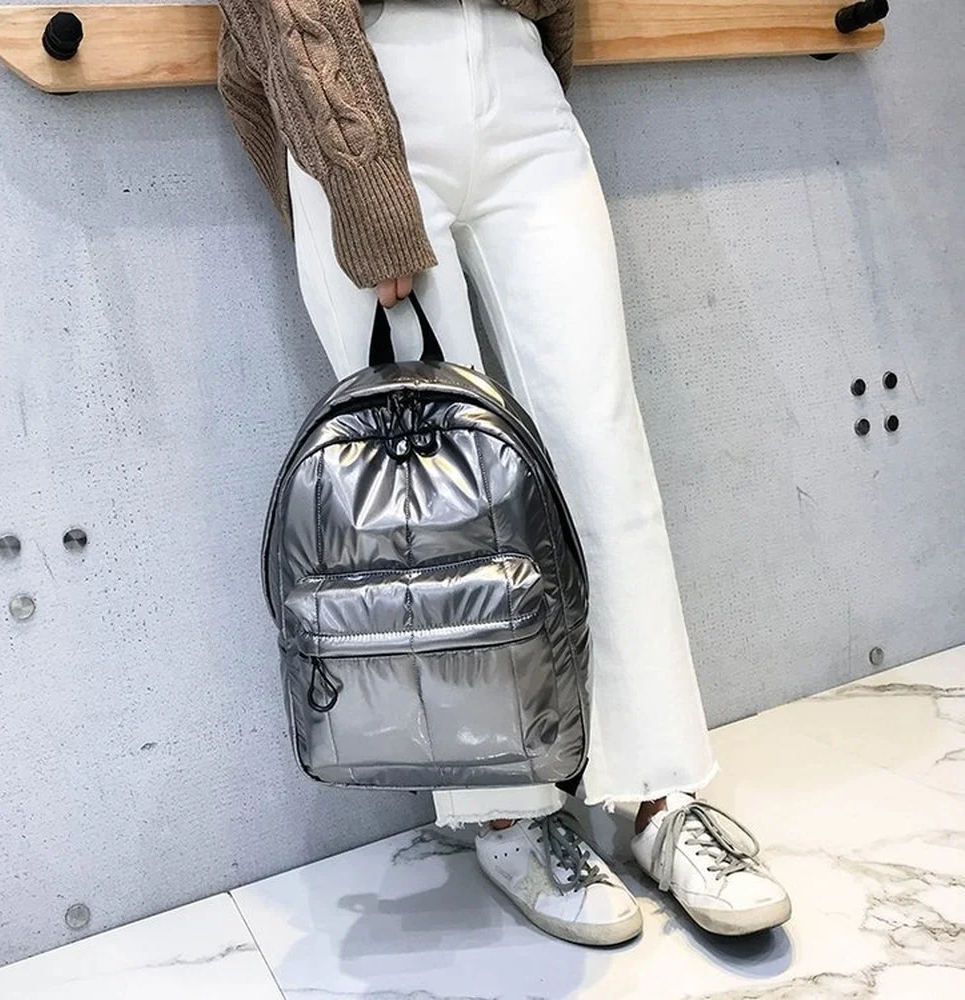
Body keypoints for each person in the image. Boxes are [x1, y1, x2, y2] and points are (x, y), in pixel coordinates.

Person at [217, 0, 792, 945]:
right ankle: (506, 814)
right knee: (439, 496)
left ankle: (657, 790)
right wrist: (358, 176)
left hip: (519, 80)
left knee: (602, 446)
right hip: (358, 74)